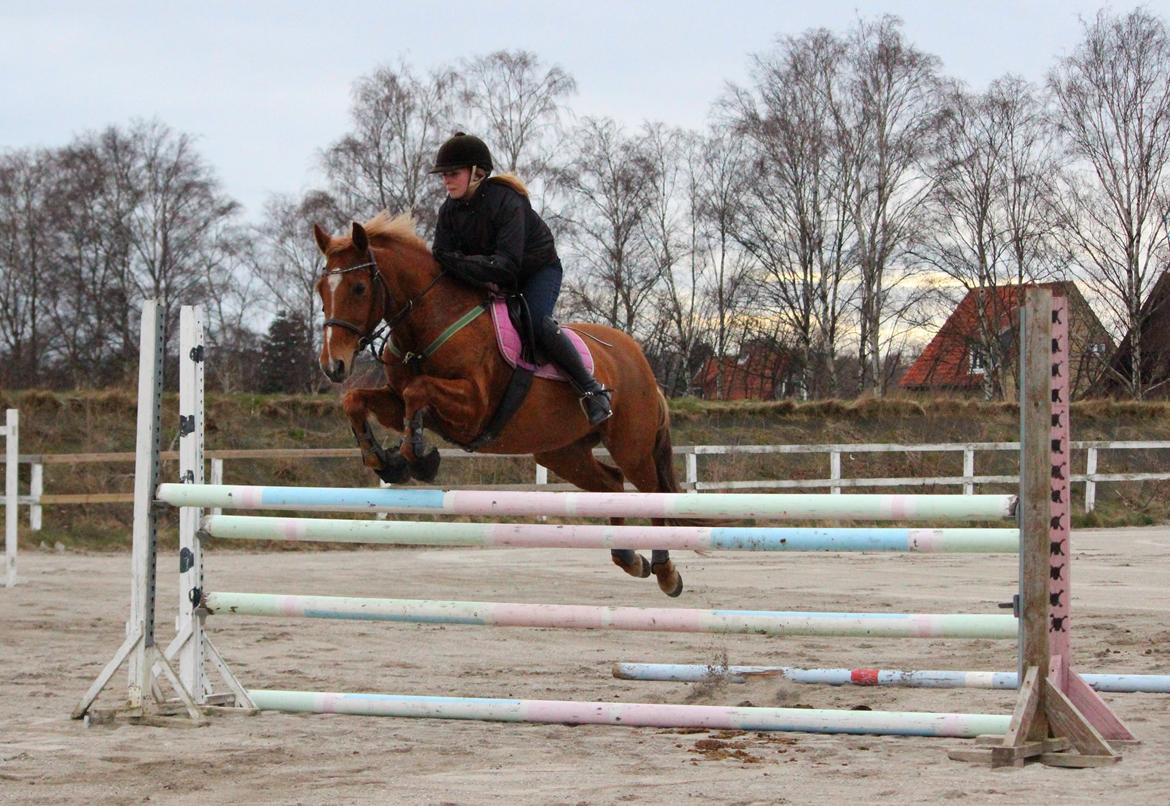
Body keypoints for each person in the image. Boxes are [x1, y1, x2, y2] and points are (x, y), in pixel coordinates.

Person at [429, 132, 613, 425]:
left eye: (453, 174)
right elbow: (440, 257)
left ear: (477, 173)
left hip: (536, 271)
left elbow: (505, 266)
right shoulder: (448, 210)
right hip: (490, 276)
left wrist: (458, 263)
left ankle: (592, 390)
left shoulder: (507, 201)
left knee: (537, 322)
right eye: (444, 175)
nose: (446, 181)